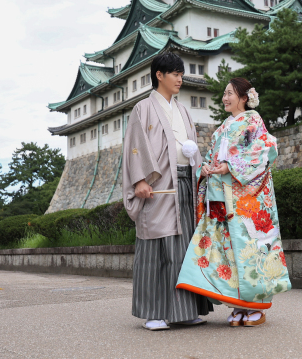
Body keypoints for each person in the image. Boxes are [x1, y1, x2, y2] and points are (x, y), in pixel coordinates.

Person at [176, 78, 291, 327]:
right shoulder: (222, 127)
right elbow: (211, 156)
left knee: (251, 248)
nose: (225, 98)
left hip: (246, 199)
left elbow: (263, 151)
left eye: (230, 93)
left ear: (244, 98)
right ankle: (239, 304)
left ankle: (256, 305)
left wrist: (230, 166)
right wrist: (205, 168)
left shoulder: (253, 120)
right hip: (222, 197)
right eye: (224, 93)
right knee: (227, 250)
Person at [122, 52, 212, 331]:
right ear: (159, 75)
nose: (180, 79)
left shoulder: (183, 110)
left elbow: (190, 146)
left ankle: (185, 311)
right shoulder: (143, 108)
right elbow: (134, 146)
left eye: (181, 74)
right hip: (158, 186)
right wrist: (139, 180)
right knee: (157, 245)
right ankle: (154, 312)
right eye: (175, 74)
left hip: (185, 182)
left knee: (185, 246)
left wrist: (198, 163)